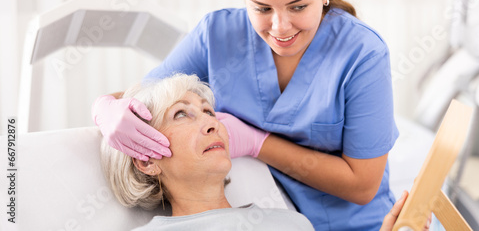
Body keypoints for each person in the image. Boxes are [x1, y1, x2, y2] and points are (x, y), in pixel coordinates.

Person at [93, 0, 399, 230]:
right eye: (262, 9)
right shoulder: (217, 36)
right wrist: (104, 107)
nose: (280, 27)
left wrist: (257, 142)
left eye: (297, 7)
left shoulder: (362, 54)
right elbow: (149, 99)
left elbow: (362, 186)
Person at [99, 74, 423, 231]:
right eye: (182, 114)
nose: (212, 124)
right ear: (146, 158)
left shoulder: (292, 225)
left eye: (209, 112)